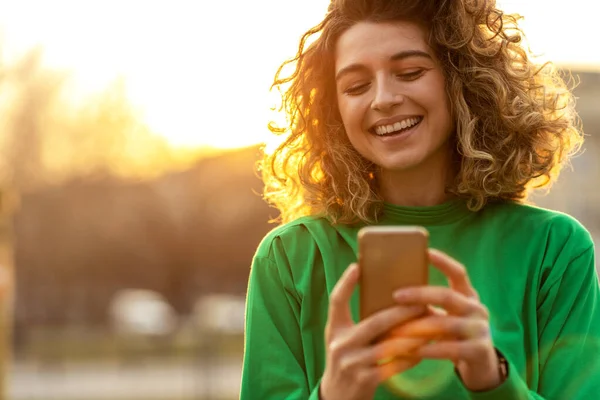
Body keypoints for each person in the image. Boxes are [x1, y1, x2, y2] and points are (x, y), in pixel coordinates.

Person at [240, 0, 600, 398]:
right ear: (333, 110)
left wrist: (492, 378)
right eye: (356, 86)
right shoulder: (289, 257)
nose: (383, 99)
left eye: (410, 72)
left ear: (463, 80)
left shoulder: (554, 248)